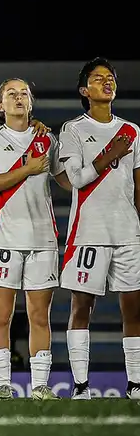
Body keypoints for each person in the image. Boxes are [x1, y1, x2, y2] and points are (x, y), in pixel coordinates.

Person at [0, 78, 68, 400]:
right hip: (4, 239)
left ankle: (40, 385)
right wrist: (26, 169)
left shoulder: (48, 139)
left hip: (42, 237)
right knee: (1, 314)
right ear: (1, 106)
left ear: (32, 102)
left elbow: (66, 180)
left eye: (24, 93)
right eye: (11, 94)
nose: (18, 98)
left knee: (39, 315)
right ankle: (2, 385)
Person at [55, 57, 140, 401]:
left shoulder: (133, 130)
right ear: (84, 90)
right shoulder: (73, 129)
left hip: (127, 232)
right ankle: (81, 386)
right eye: (98, 78)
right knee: (81, 309)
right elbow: (76, 179)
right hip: (89, 231)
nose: (107, 82)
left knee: (134, 309)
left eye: (110, 78)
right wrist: (110, 152)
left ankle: (135, 384)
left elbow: (138, 185)